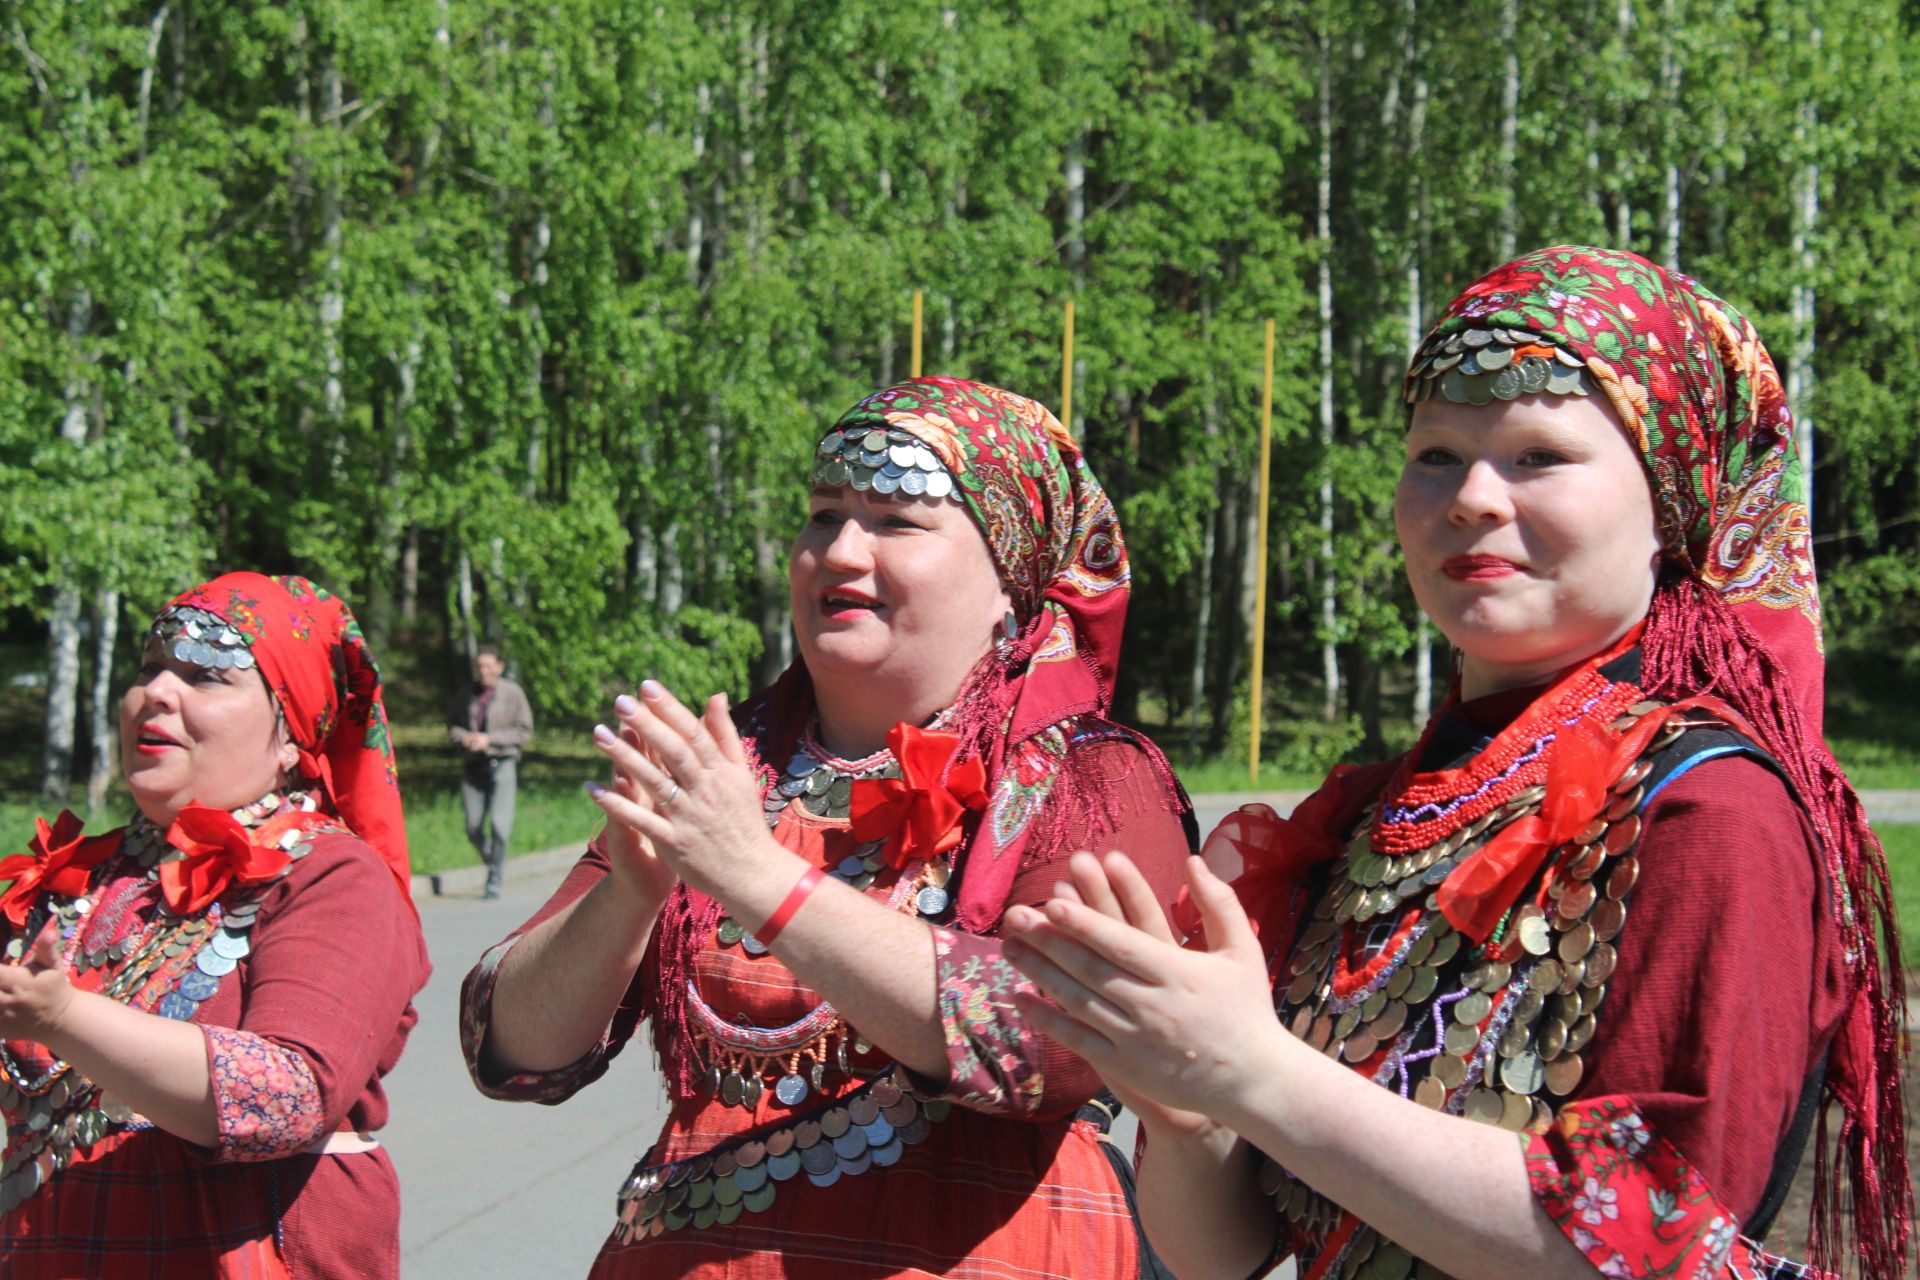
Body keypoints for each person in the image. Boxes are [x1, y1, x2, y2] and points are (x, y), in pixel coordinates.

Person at [1001, 248, 1910, 1280]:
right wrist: (1187, 1107)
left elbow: (1654, 1241)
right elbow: (1229, 1252)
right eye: (1436, 452)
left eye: (1538, 455)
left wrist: (1251, 1069)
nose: (1474, 495)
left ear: (1670, 501)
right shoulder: (1374, 815)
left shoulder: (1711, 808)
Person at [460, 376, 1195, 1277]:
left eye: (897, 521)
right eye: (822, 515)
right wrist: (631, 893)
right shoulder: (726, 769)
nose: (841, 551)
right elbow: (511, 1051)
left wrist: (758, 880)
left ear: (1011, 581)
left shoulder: (1091, 776)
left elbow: (1061, 1043)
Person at [0, 572, 431, 1278]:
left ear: (290, 735)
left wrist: (63, 1017)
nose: (157, 694)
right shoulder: (73, 882)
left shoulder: (334, 876)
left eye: (205, 677)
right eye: (149, 669)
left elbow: (289, 1097)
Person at [449, 644, 535, 898]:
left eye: (488, 666)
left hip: (503, 764)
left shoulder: (513, 693)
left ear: (499, 666)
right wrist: (466, 738)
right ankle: (493, 861)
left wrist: (491, 739)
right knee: (472, 826)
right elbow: (452, 726)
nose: (483, 671)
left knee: (499, 825)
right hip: (474, 766)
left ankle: (494, 880)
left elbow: (524, 730)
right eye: (479, 666)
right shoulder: (467, 694)